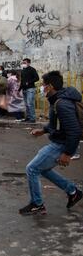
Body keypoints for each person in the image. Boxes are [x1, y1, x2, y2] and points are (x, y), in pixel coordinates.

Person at [20, 71, 82, 215]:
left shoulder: (62, 104)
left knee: (32, 169)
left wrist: (67, 154)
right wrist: (44, 130)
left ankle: (37, 204)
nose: (41, 87)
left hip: (61, 144)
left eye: (43, 84)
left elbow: (74, 131)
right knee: (42, 168)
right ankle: (73, 191)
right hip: (59, 141)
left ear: (51, 86)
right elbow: (59, 125)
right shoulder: (58, 100)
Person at [20, 58, 40, 123]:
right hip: (24, 89)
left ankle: (32, 118)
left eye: (25, 63)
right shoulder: (23, 70)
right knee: (26, 104)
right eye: (23, 63)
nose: (23, 64)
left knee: (30, 103)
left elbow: (37, 78)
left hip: (30, 89)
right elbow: (22, 80)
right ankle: (28, 117)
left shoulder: (32, 69)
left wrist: (29, 82)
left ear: (29, 63)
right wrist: (19, 89)